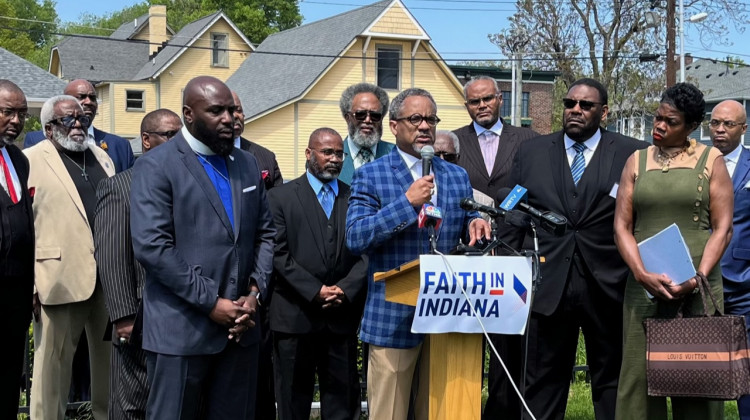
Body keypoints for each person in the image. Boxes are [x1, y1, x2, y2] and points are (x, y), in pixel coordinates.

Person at [130, 75, 275, 419]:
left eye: (230, 110)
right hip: (181, 331)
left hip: (241, 329)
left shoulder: (247, 164)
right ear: (188, 115)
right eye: (216, 111)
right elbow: (153, 247)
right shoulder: (155, 165)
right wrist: (211, 302)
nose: (228, 118)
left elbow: (266, 234)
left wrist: (254, 294)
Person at [346, 87, 491, 420]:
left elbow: (466, 214)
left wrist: (476, 222)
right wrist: (406, 203)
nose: (425, 126)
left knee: (441, 412)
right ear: (395, 126)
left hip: (448, 320)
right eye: (415, 119)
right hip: (393, 318)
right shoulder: (371, 175)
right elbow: (356, 237)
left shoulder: (456, 175)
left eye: (431, 119)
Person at [507, 78, 646, 420]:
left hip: (609, 282)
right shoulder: (531, 152)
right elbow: (514, 212)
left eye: (586, 105)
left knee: (611, 379)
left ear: (604, 111)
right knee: (541, 380)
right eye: (570, 103)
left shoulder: (633, 152)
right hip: (547, 284)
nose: (576, 111)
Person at [613, 83, 733, 419]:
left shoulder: (712, 160)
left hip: (698, 284)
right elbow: (622, 226)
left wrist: (697, 278)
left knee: (697, 379)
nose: (659, 126)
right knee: (637, 378)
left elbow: (723, 228)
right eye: (657, 118)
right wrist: (640, 274)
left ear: (692, 126)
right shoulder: (636, 161)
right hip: (644, 286)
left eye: (671, 121)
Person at [453, 76, 538, 420]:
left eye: (487, 99)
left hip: (513, 250)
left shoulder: (529, 140)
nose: (482, 106)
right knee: (467, 343)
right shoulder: (454, 141)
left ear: (500, 99)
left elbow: (533, 187)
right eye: (475, 102)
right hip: (466, 252)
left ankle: (504, 411)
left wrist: (507, 219)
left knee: (509, 343)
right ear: (467, 106)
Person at [25, 95, 116, 420]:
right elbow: (24, 225)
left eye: (82, 118)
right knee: (53, 370)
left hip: (108, 281)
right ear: (49, 128)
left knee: (110, 368)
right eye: (68, 119)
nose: (78, 124)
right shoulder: (30, 160)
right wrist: (31, 284)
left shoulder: (102, 158)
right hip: (57, 279)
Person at [268, 127, 368, 420]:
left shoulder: (356, 198)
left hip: (341, 317)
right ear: (309, 154)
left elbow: (366, 253)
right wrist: (315, 291)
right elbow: (277, 253)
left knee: (342, 402)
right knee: (292, 400)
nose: (335, 159)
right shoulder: (280, 197)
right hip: (294, 318)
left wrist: (345, 289)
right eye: (327, 152)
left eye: (339, 153)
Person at [94, 108, 181, 420]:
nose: (177, 141)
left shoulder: (184, 182)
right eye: (169, 135)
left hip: (179, 313)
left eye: (180, 134)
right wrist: (124, 317)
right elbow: (111, 255)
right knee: (133, 404)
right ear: (146, 140)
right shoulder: (119, 187)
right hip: (138, 316)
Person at [231, 89, 282, 420]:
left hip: (257, 283)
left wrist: (257, 287)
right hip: (209, 285)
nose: (233, 116)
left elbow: (274, 225)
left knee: (260, 373)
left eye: (238, 109)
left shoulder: (262, 158)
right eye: (225, 110)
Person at [710, 99, 750, 420]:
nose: (720, 130)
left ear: (743, 128)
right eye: (715, 123)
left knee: (746, 368)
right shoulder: (696, 163)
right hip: (700, 281)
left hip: (744, 284)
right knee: (704, 366)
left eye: (728, 124)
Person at [0, 80, 35, 419]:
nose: (16, 121)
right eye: (7, 112)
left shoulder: (18, 159)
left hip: (16, 291)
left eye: (21, 114)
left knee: (10, 377)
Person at [23, 79, 135, 173]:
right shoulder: (36, 140)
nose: (88, 102)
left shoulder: (120, 146)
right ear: (64, 101)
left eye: (92, 98)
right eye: (81, 97)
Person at [338, 82, 394, 184]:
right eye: (360, 114)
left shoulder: (396, 155)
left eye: (375, 115)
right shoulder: (330, 157)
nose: (368, 120)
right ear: (348, 118)